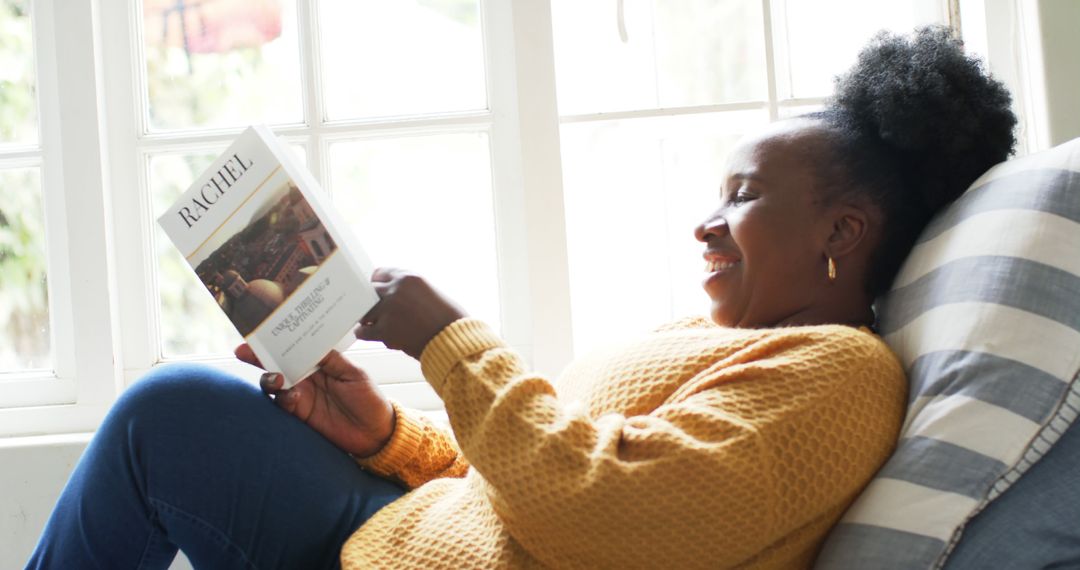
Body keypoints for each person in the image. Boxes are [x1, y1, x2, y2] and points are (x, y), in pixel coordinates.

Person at [27, 26, 1016, 570]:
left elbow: (609, 520)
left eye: (744, 198)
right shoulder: (714, 337)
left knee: (163, 421)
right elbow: (528, 479)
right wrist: (385, 439)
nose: (707, 224)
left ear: (840, 234)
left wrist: (449, 343)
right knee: (174, 408)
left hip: (388, 558)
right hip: (391, 532)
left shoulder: (839, 380)